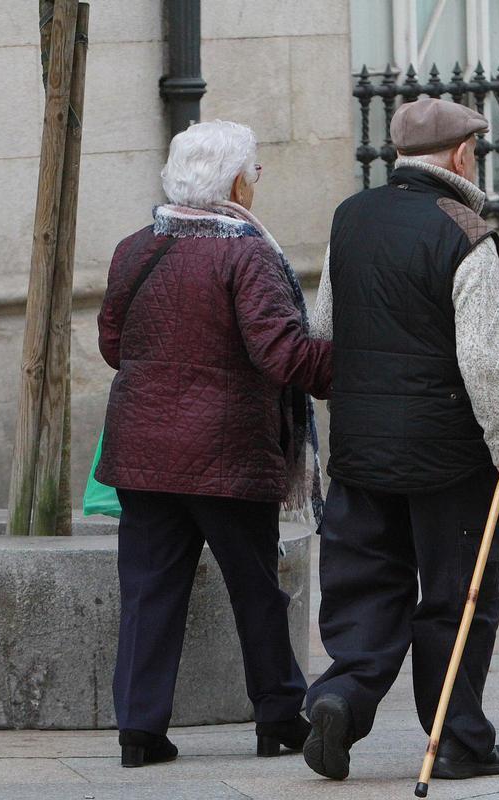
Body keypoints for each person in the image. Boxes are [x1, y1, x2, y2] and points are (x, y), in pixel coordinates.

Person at [302, 97, 499, 782]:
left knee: (367, 584)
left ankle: (342, 696)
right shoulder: (468, 233)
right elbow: (485, 361)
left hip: (362, 448)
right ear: (462, 155)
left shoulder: (352, 218)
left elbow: (324, 330)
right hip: (449, 457)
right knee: (458, 596)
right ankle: (458, 739)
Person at [96, 120, 331, 768]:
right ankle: (279, 716)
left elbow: (114, 346)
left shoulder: (136, 247)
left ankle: (139, 730)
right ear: (232, 182)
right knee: (255, 587)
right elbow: (281, 352)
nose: (256, 184)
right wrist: (357, 365)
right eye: (253, 172)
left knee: (147, 592)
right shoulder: (246, 253)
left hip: (143, 454)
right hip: (227, 452)